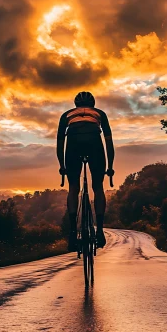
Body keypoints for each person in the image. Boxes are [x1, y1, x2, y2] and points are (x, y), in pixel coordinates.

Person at [56, 91, 115, 251]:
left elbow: (60, 143)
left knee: (73, 187)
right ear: (92, 104)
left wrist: (62, 165)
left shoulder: (66, 115)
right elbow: (109, 142)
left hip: (73, 145)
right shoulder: (100, 113)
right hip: (95, 144)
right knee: (98, 187)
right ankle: (100, 231)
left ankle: (72, 233)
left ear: (76, 105)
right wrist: (110, 166)